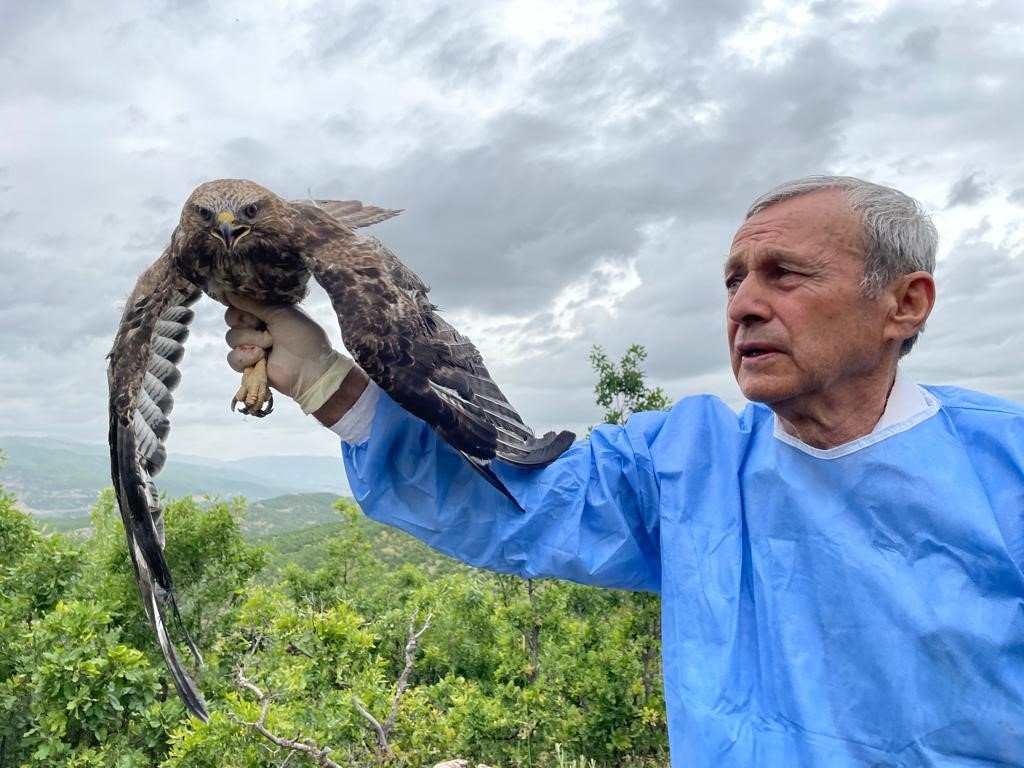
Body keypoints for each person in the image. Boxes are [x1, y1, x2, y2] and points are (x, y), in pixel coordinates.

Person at [224, 176, 1024, 767]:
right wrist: (325, 378)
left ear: (905, 303)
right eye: (733, 280)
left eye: (785, 274)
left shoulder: (1004, 468)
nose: (743, 304)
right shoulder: (687, 463)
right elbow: (513, 504)